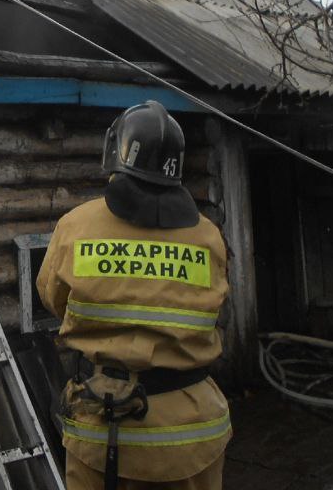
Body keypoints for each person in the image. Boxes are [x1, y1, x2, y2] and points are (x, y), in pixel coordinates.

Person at [38, 100, 230, 490]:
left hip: (106, 423)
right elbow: (215, 307)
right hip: (194, 424)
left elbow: (53, 299)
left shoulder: (76, 225)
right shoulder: (208, 235)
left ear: (115, 150)